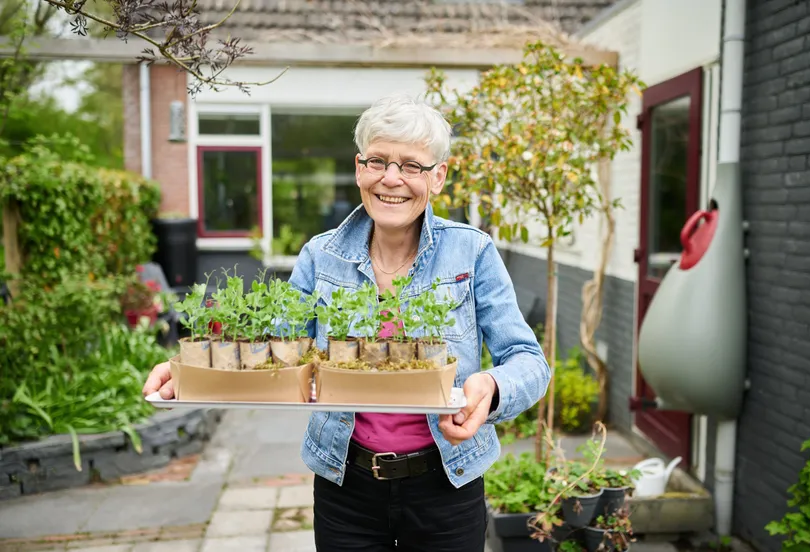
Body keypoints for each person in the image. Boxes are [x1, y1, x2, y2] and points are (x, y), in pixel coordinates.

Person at [143, 93, 551, 551]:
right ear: (359, 168)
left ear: (438, 177)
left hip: (447, 484)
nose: (391, 179)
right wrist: (187, 372)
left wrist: (491, 388)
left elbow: (529, 360)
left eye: (411, 166)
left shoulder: (472, 253)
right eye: (378, 161)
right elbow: (274, 346)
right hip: (346, 485)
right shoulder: (322, 255)